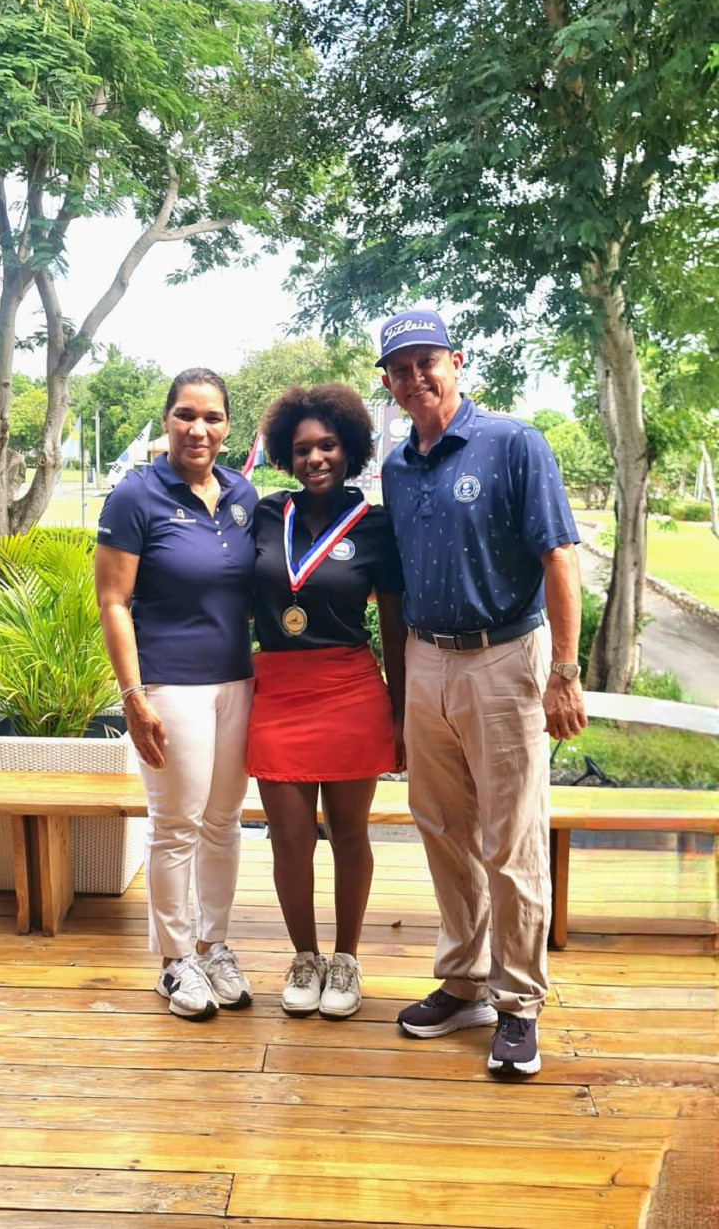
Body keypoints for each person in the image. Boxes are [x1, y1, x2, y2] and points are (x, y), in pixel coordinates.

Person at [377, 308, 587, 1076]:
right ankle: (464, 980)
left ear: (457, 362)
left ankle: (519, 1001)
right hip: (427, 658)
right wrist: (403, 693)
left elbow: (560, 560)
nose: (414, 377)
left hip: (506, 656)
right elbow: (393, 585)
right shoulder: (398, 468)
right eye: (398, 368)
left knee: (512, 836)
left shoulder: (513, 443)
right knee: (441, 825)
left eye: (425, 360)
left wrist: (565, 672)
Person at [94, 368, 257, 1022]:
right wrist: (132, 694)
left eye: (213, 417)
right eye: (186, 414)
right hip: (169, 684)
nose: (199, 428)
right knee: (177, 824)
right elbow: (112, 601)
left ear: (226, 426)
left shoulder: (244, 493)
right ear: (166, 420)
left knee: (224, 821)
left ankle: (214, 944)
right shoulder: (135, 497)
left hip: (237, 683)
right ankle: (174, 959)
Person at [247, 383, 406, 1020]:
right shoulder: (265, 513)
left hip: (349, 689)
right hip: (278, 691)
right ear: (287, 453)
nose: (317, 458)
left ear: (352, 450)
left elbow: (393, 626)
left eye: (329, 446)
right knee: (288, 839)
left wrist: (400, 707)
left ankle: (346, 960)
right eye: (304, 448)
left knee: (348, 833)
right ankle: (304, 956)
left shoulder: (375, 526)